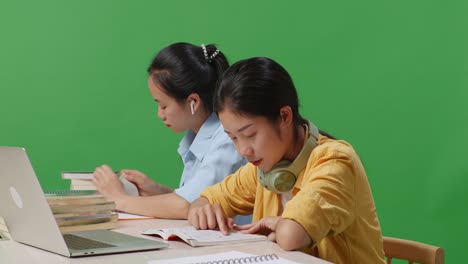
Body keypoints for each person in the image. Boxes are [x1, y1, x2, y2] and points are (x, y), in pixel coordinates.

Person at [187, 57, 385, 263]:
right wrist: (203, 210)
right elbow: (204, 201)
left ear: (284, 116)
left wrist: (280, 224)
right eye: (233, 138)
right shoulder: (264, 168)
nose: (243, 150)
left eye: (251, 134)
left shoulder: (335, 161)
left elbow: (292, 236)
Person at [92, 42, 249, 222]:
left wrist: (119, 200)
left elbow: (188, 206)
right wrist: (158, 191)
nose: (160, 114)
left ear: (193, 102)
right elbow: (196, 198)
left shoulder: (227, 138)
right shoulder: (197, 138)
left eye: (164, 105)